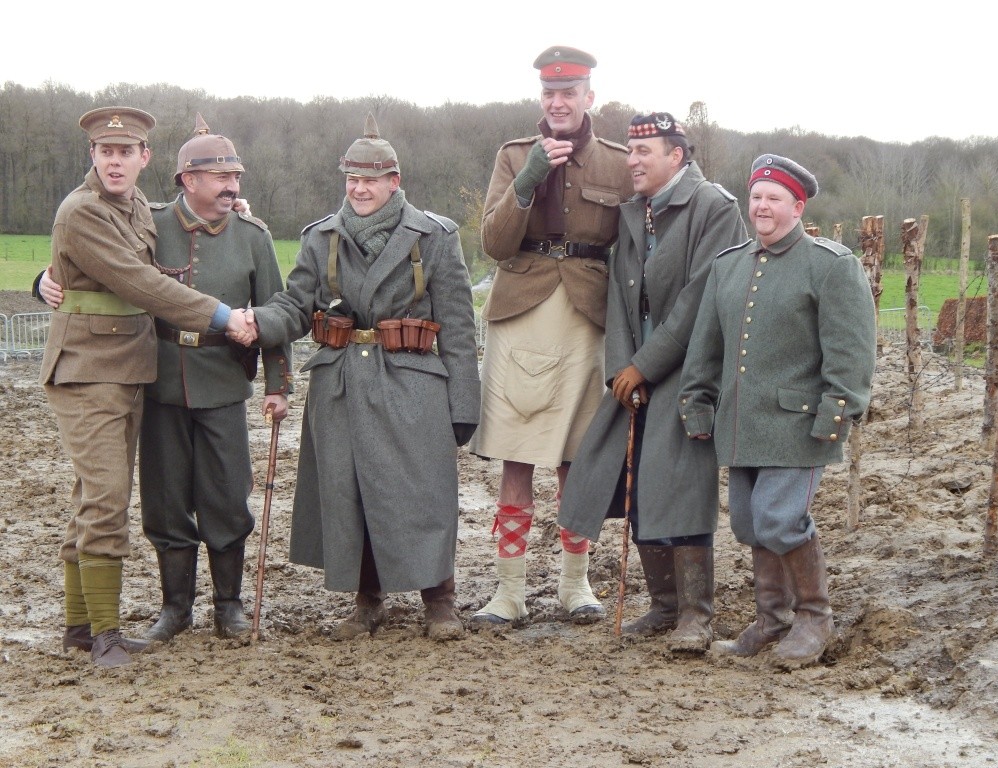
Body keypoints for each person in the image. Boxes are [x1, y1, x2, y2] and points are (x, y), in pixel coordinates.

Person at [39, 114, 292, 643]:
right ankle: (172, 610)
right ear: (186, 180)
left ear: (143, 157)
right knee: (163, 502)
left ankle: (228, 606)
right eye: (219, 178)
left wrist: (277, 385)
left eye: (235, 178)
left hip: (221, 381)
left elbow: (273, 306)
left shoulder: (245, 233)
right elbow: (122, 274)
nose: (230, 187)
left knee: (226, 498)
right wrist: (44, 281)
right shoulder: (144, 219)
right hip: (155, 380)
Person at [239, 114, 479, 641]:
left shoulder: (435, 237)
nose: (360, 188)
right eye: (352, 179)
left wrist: (465, 402)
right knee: (351, 491)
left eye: (371, 179)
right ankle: (367, 600)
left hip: (413, 379)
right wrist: (257, 322)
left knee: (425, 492)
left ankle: (439, 599)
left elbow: (459, 326)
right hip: (342, 380)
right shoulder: (321, 236)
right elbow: (296, 305)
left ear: (395, 182)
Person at [678, 153, 876, 669]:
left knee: (780, 519)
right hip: (743, 425)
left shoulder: (831, 266)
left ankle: (815, 617)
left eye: (774, 199)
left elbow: (851, 354)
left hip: (799, 426)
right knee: (749, 524)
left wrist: (837, 414)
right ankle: (773, 618)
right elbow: (706, 347)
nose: (762, 207)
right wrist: (696, 402)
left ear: (797, 206)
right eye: (757, 197)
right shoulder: (729, 264)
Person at [558, 113, 747, 651]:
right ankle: (663, 606)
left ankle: (696, 614)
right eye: (631, 152)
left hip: (690, 371)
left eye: (645, 153)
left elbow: (699, 300)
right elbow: (618, 295)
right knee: (636, 480)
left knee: (683, 485)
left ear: (677, 157)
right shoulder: (634, 213)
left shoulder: (715, 208)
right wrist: (622, 368)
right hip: (635, 370)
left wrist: (646, 365)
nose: (633, 162)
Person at [468, 46, 634, 627]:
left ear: (590, 96)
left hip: (588, 317)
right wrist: (530, 178)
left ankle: (575, 585)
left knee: (577, 459)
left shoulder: (617, 162)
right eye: (549, 93)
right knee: (515, 458)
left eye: (570, 92)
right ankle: (507, 593)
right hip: (521, 312)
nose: (558, 102)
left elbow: (638, 243)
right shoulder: (513, 156)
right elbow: (494, 243)